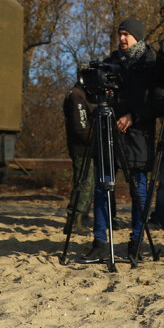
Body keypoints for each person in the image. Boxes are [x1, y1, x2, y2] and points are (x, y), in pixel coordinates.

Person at [81, 17, 163, 264]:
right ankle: (100, 242)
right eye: (120, 34)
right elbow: (94, 93)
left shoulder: (151, 64)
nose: (122, 39)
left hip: (138, 135)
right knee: (102, 187)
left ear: (138, 37)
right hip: (109, 132)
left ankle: (136, 241)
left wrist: (134, 115)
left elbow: (159, 102)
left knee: (138, 188)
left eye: (127, 34)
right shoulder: (110, 63)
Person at [63, 83, 94, 225]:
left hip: (84, 148)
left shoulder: (81, 95)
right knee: (84, 184)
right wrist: (96, 138)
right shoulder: (77, 96)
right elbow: (81, 128)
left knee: (87, 184)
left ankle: (80, 219)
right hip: (82, 149)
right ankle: (75, 220)